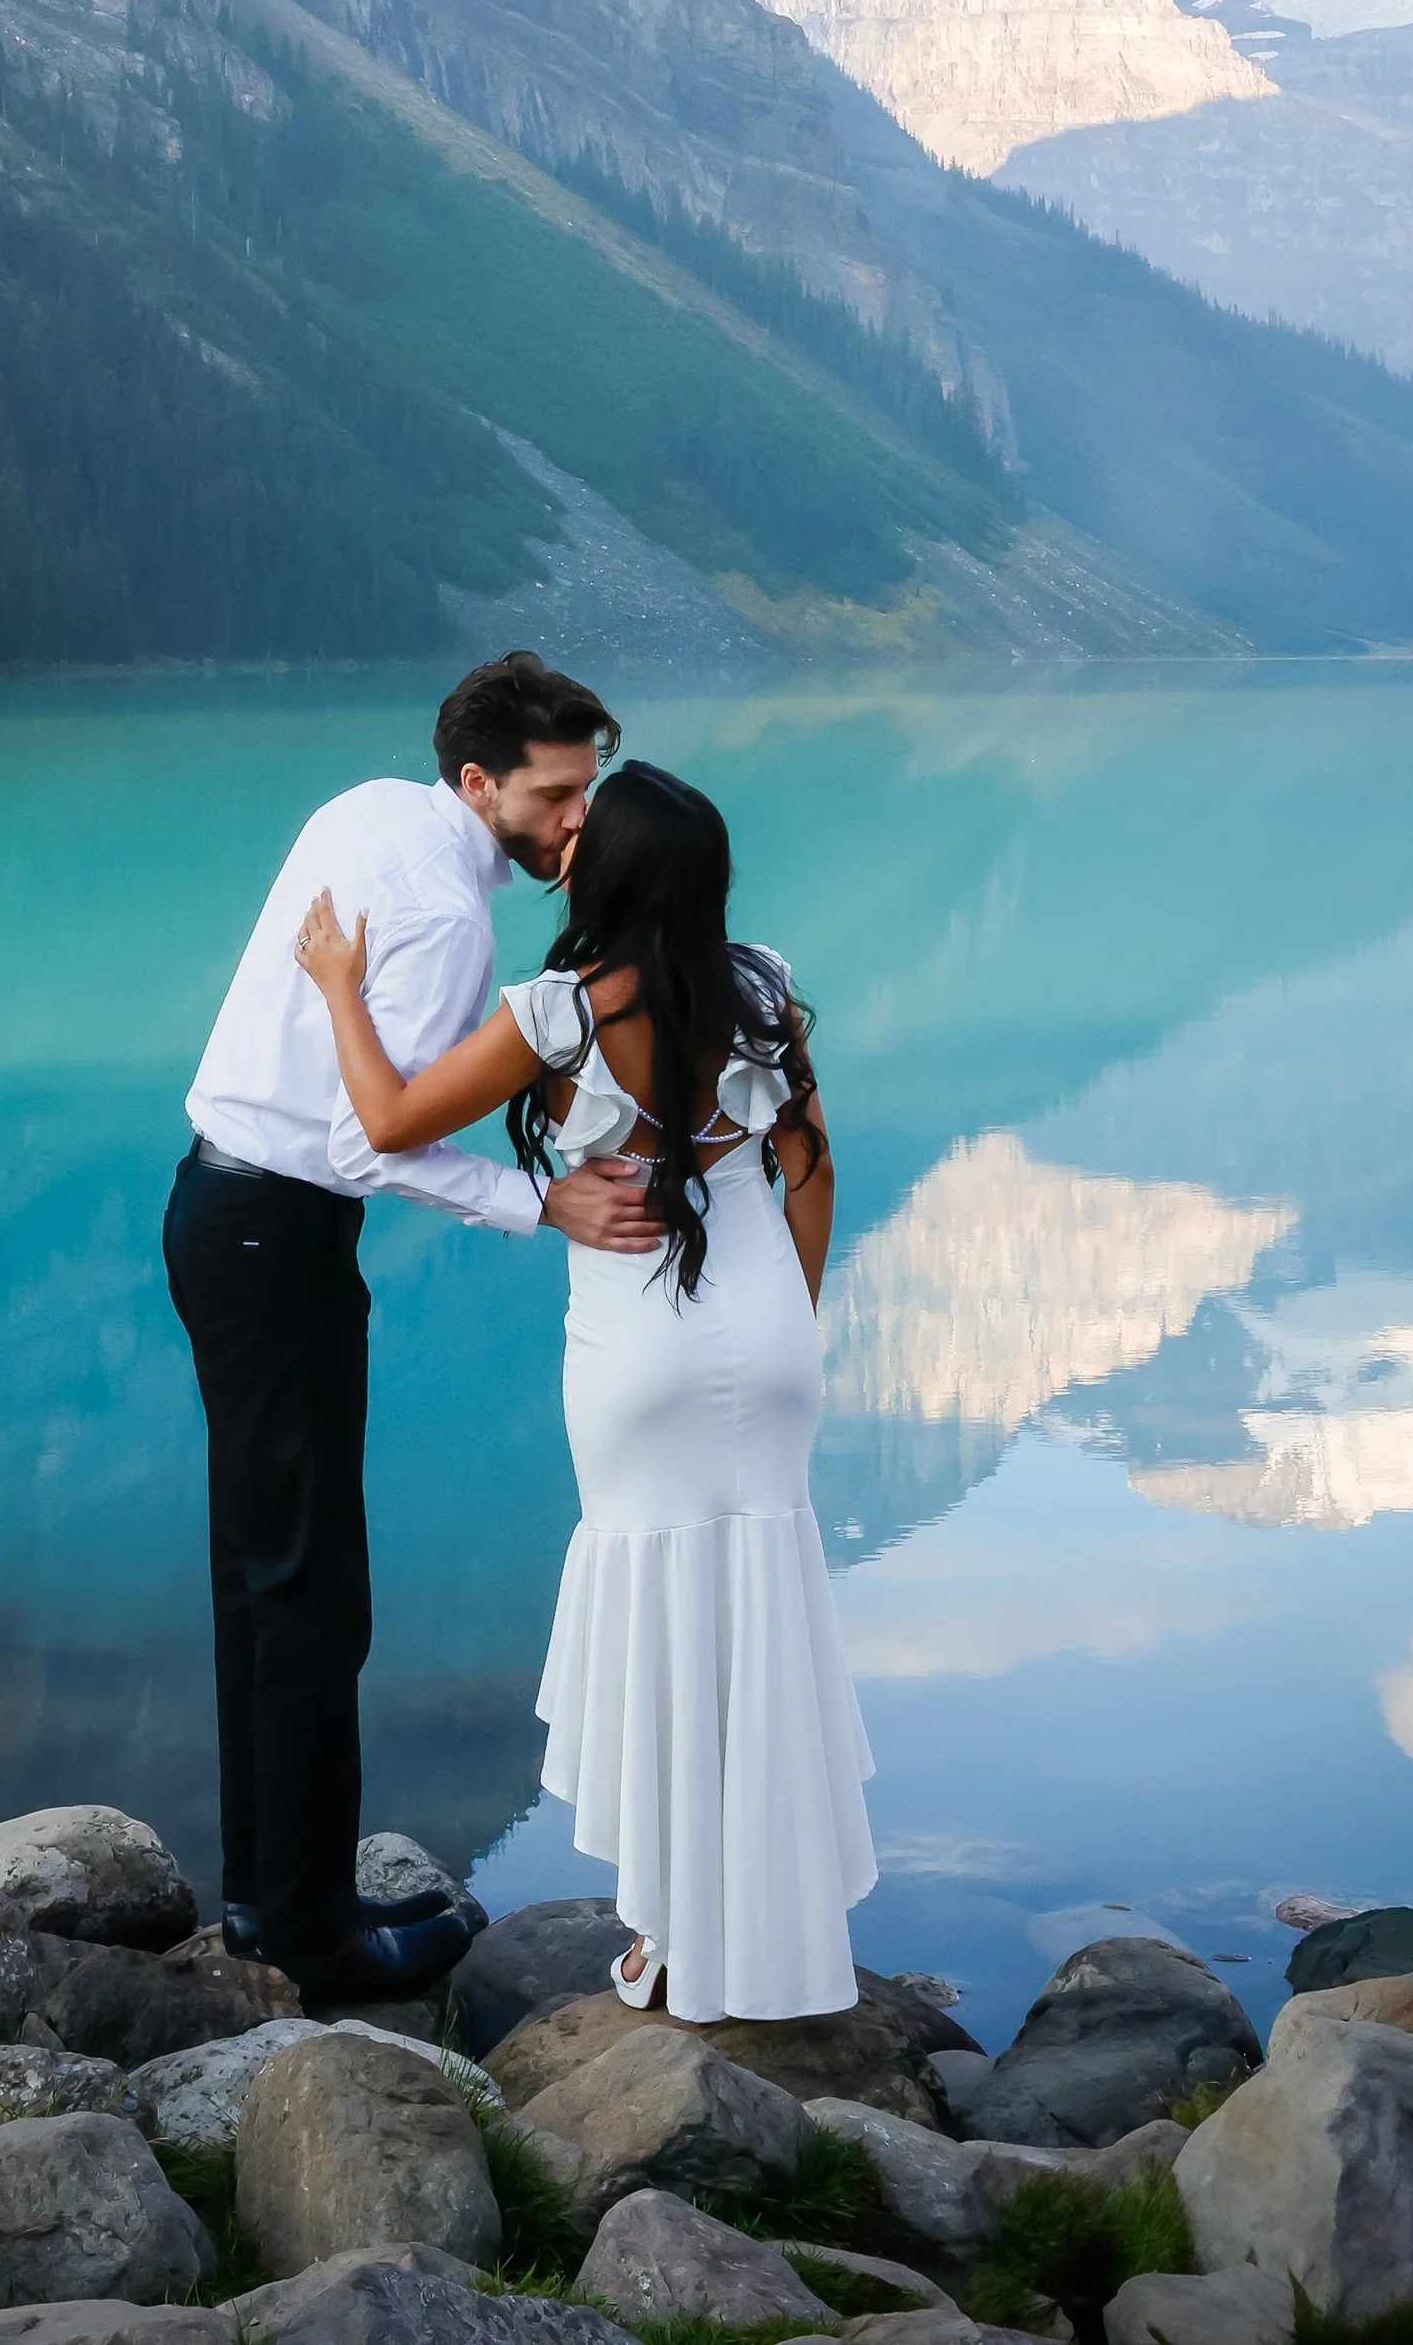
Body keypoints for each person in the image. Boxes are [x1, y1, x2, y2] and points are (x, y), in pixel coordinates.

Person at [294, 757, 874, 2024]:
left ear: (602, 873)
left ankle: (673, 1941)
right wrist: (789, 1324)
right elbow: (810, 1169)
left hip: (639, 1346)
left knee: (660, 1611)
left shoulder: (558, 1011)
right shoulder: (762, 986)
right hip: (771, 1330)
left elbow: (386, 1121)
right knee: (759, 1605)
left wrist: (340, 984)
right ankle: (777, 1938)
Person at [164, 651, 662, 2013]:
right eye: (556, 795)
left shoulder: (368, 809)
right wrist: (540, 1198)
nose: (578, 821)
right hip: (278, 1229)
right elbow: (369, 1133)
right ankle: (315, 1941)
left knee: (259, 1577)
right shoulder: (447, 912)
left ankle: (273, 1889)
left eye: (588, 791)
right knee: (316, 1592)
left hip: (219, 1209)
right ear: (478, 780)